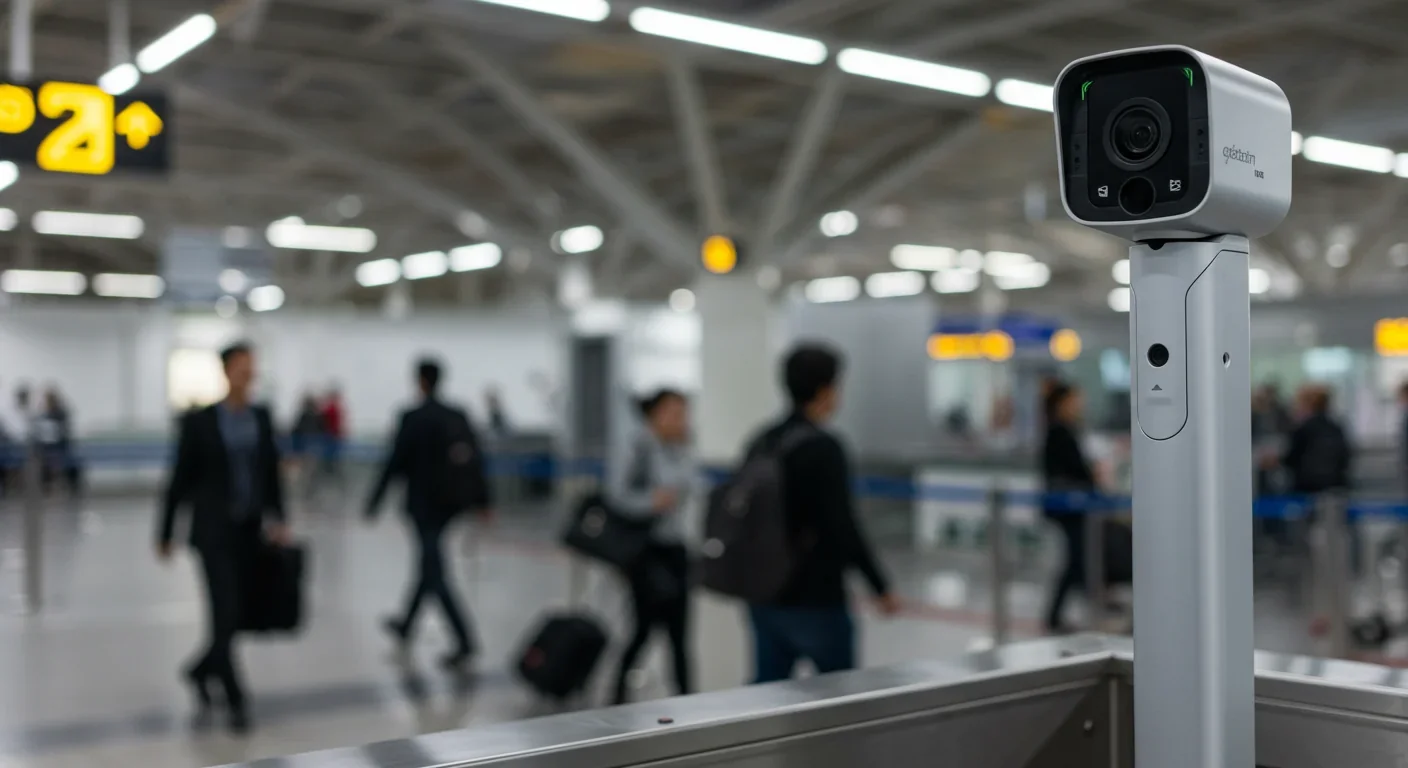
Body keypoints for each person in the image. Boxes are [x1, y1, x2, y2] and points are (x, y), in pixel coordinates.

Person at [743, 344, 899, 684]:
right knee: (837, 697)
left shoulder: (762, 441)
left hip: (763, 590)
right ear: (826, 390)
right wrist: (879, 586)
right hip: (815, 594)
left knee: (765, 696)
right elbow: (841, 525)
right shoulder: (824, 448)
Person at [157, 342, 290, 734]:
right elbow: (179, 479)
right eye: (242, 366)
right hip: (213, 533)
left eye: (252, 366)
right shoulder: (200, 422)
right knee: (225, 613)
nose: (249, 373)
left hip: (249, 531)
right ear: (226, 370)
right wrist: (165, 532)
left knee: (236, 616)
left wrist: (279, 518)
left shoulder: (261, 417)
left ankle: (199, 670)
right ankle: (236, 698)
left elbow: (271, 474)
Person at [366, 358, 491, 669]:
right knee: (428, 563)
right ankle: (406, 625)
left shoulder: (412, 417)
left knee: (434, 571)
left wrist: (375, 500)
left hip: (423, 507)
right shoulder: (456, 416)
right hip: (450, 506)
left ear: (420, 381)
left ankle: (464, 640)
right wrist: (484, 501)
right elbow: (476, 461)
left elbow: (395, 461)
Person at [608, 389, 697, 705]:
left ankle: (687, 697)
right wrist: (651, 502)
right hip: (645, 551)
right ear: (654, 414)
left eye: (683, 413)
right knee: (643, 626)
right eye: (673, 413)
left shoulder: (680, 448)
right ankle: (617, 692)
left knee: (680, 631)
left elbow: (690, 488)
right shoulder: (637, 446)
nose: (680, 420)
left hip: (676, 549)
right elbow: (616, 496)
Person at [1041, 382, 1097, 634]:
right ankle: (1059, 615)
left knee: (1078, 558)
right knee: (1077, 559)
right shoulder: (1059, 433)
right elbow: (1077, 469)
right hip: (1068, 506)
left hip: (1070, 505)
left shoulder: (1062, 430)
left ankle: (1065, 613)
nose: (1079, 406)